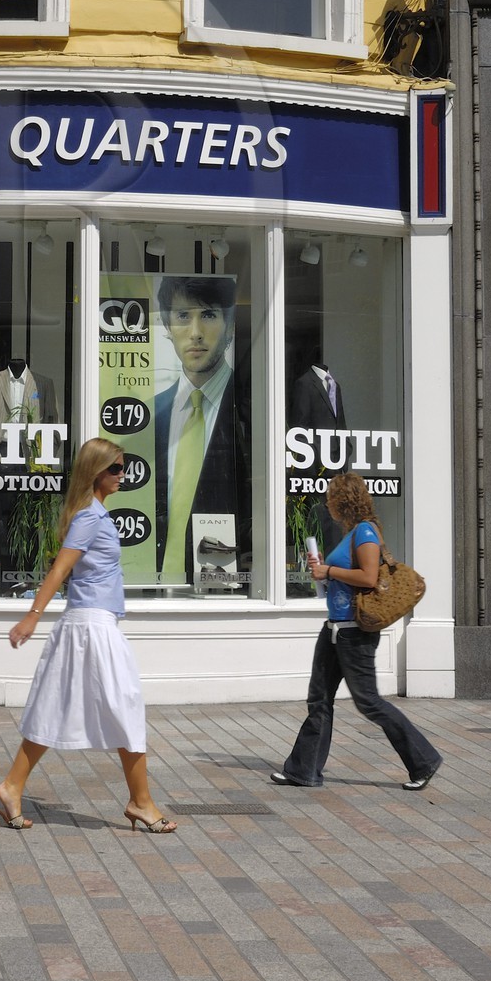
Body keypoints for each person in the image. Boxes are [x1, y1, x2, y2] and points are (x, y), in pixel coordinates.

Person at [0, 437, 177, 834]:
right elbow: (59, 570)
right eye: (116, 469)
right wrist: (32, 617)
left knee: (57, 707)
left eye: (123, 468)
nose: (123, 476)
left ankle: (11, 786)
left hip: (91, 624)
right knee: (126, 707)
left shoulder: (95, 514)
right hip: (91, 627)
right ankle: (141, 802)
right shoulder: (90, 517)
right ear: (96, 473)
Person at [271, 470, 442, 791]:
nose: (328, 505)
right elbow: (344, 577)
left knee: (369, 702)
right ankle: (303, 770)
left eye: (330, 499)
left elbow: (367, 578)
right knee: (319, 699)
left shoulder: (365, 532)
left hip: (355, 633)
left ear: (342, 501)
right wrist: (323, 573)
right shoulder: (351, 534)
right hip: (335, 628)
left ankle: (424, 760)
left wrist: (329, 569)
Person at [153, 275, 248, 579]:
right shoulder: (151, 414)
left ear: (230, 326)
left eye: (208, 315)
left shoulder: (253, 409)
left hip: (227, 575)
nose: (195, 333)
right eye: (183, 316)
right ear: (167, 328)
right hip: (149, 583)